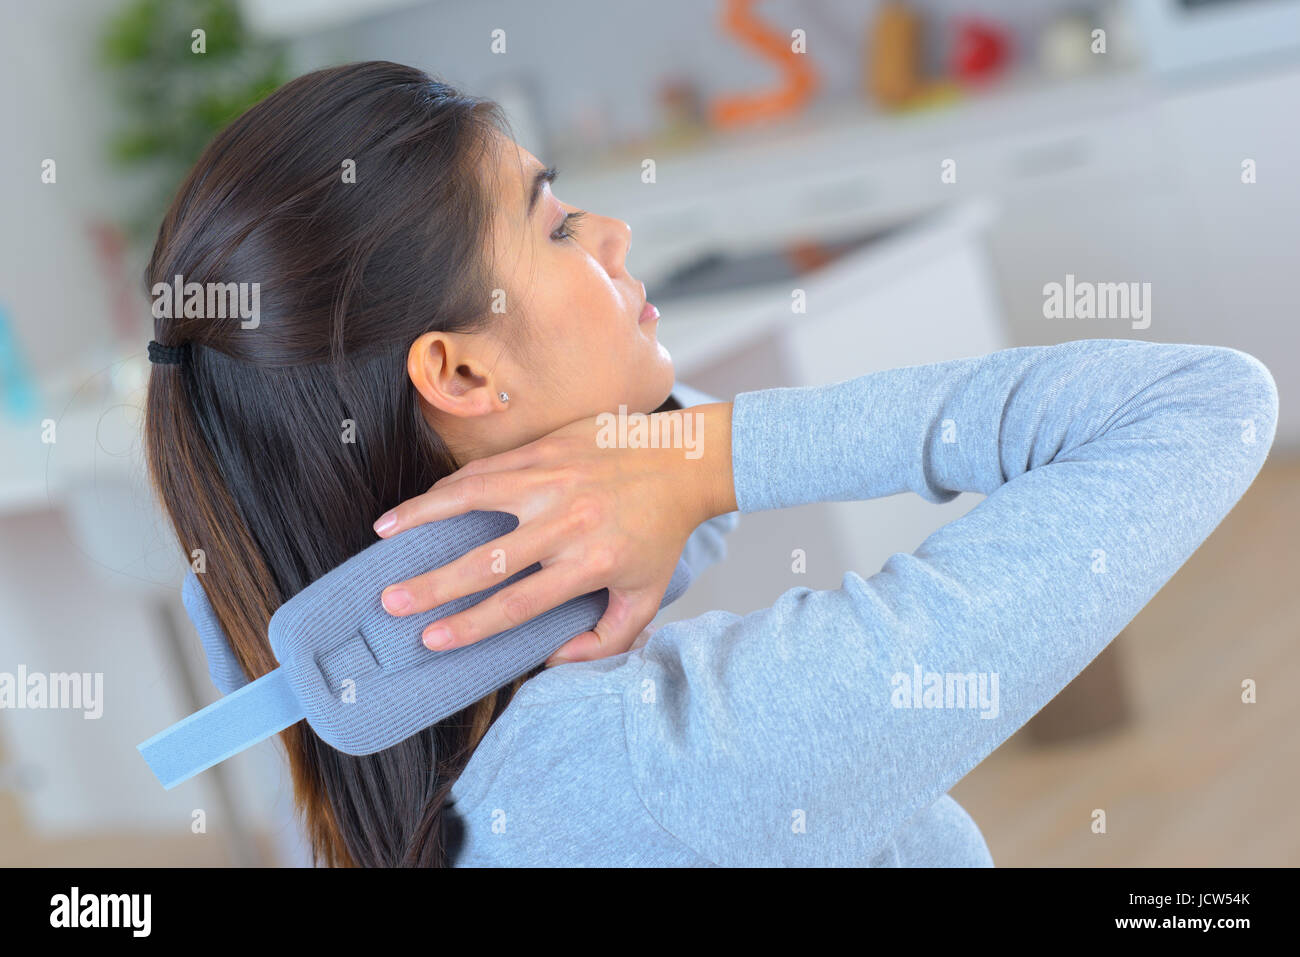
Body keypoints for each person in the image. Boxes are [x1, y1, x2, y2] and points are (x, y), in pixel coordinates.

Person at [144, 61, 1278, 867]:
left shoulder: (356, 751)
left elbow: (681, 539)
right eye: (552, 226)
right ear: (460, 376)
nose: (612, 236)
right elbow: (1196, 404)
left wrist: (655, 475)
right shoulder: (676, 767)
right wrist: (704, 455)